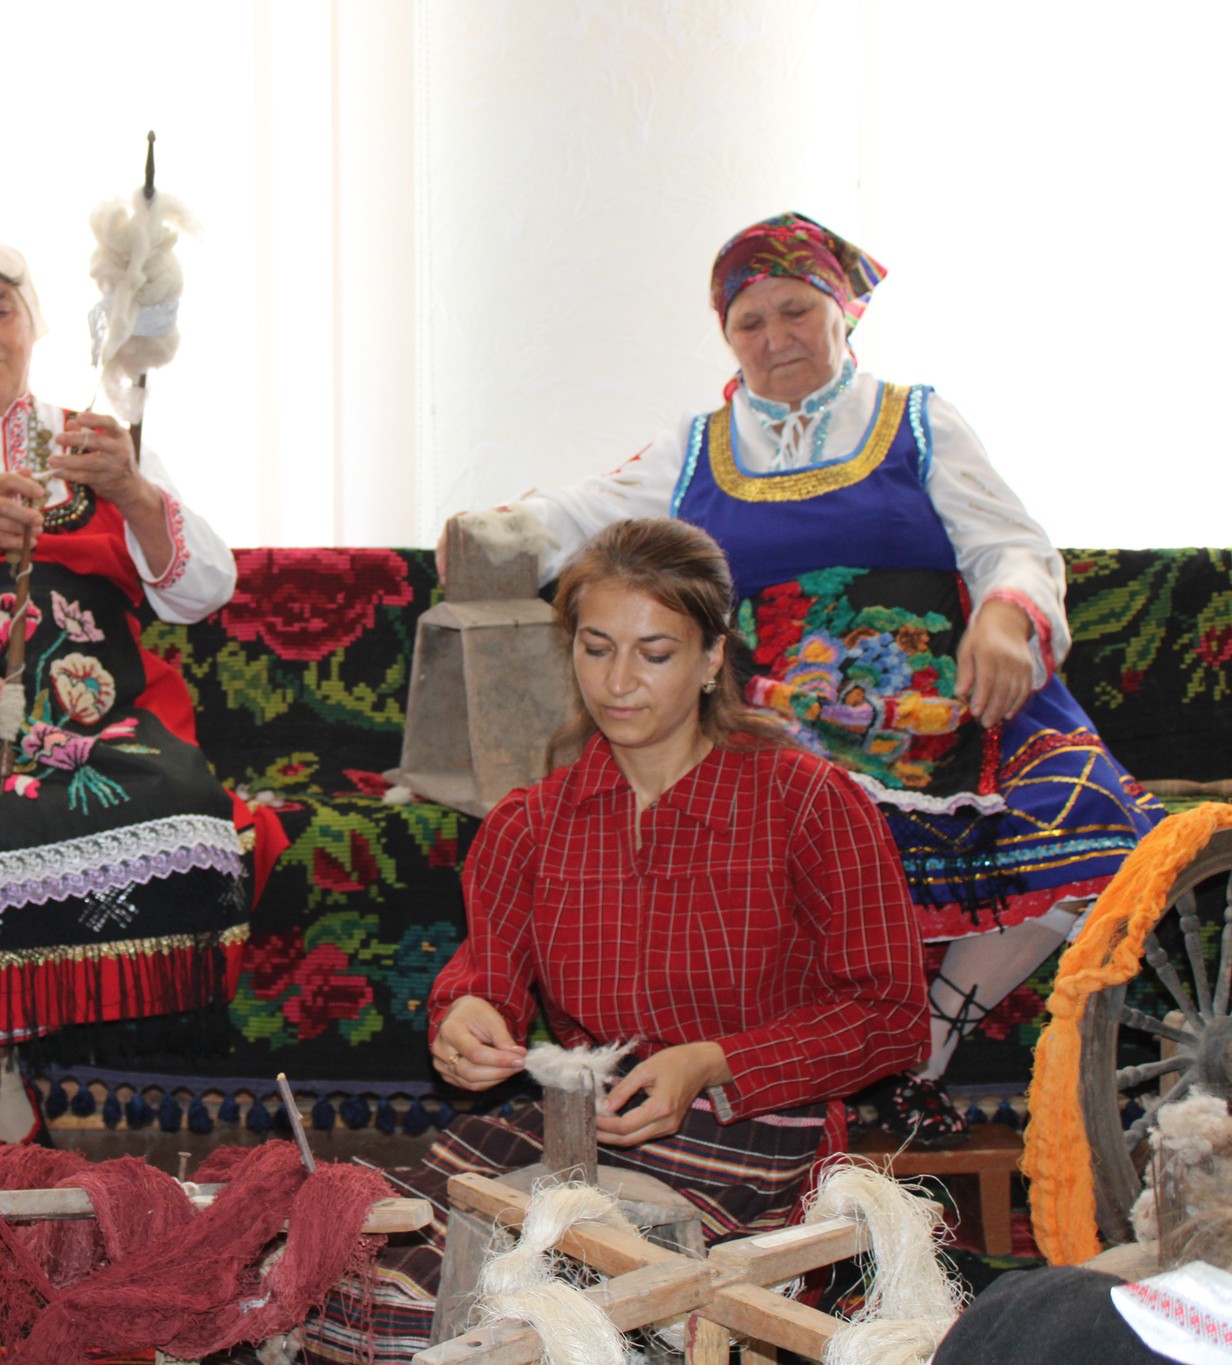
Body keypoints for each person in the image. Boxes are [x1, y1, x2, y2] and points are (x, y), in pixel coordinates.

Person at [482, 212, 1164, 1144]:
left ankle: (928, 1032)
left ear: (844, 314)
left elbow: (1009, 542)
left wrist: (1006, 615)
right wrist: (502, 534)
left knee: (1087, 821)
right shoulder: (696, 444)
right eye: (748, 324)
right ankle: (807, 1062)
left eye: (796, 312)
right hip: (782, 712)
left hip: (945, 702)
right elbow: (582, 514)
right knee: (793, 825)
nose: (775, 339)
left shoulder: (918, 420)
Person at [305, 518, 926, 1364]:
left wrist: (713, 1060)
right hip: (578, 1131)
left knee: (543, 1324)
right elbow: (484, 977)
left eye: (655, 653)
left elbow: (893, 1017)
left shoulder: (809, 805)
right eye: (596, 648)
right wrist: (466, 1020)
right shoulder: (535, 823)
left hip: (757, 1148)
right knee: (357, 1282)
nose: (619, 682)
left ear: (713, 659)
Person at [0, 241, 283, 1139]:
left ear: (33, 324)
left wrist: (135, 493)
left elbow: (204, 588)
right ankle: (0, 1038)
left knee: (183, 805)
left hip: (94, 695)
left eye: (1, 308)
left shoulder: (93, 441)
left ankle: (98, 1037)